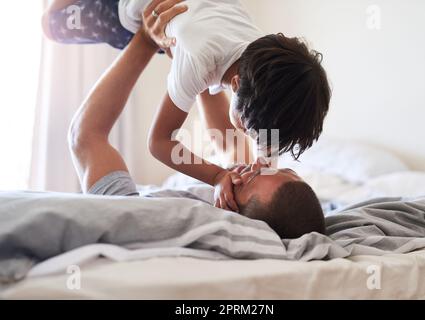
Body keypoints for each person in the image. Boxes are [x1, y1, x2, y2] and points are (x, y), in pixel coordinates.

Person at [66, 1, 325, 239]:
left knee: (53, 25)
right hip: (187, 26)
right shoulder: (250, 191)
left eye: (250, 177)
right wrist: (193, 70)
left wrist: (147, 40)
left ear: (234, 212)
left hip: (147, 12)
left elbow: (86, 137)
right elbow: (231, 143)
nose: (258, 164)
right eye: (281, 168)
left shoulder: (135, 222)